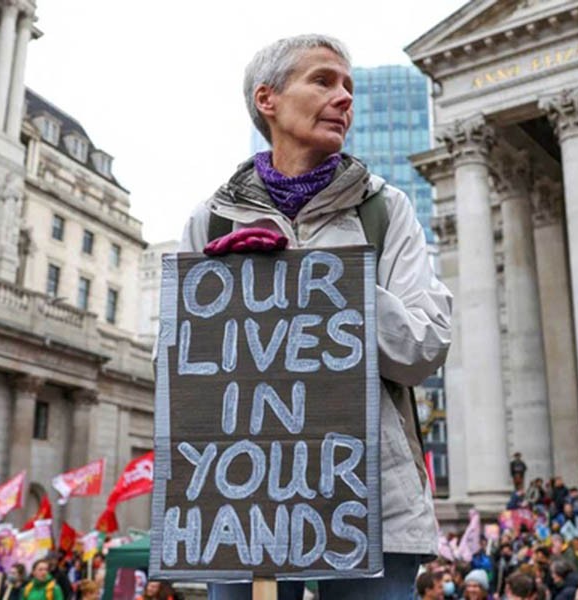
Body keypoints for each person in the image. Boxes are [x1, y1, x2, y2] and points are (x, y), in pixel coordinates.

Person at [181, 33, 453, 600]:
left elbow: (424, 349)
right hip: (244, 508)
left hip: (371, 508)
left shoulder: (386, 210)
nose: (345, 98)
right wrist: (224, 304)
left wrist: (322, 280)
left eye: (349, 86)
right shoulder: (210, 223)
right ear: (267, 100)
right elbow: (176, 375)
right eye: (324, 81)